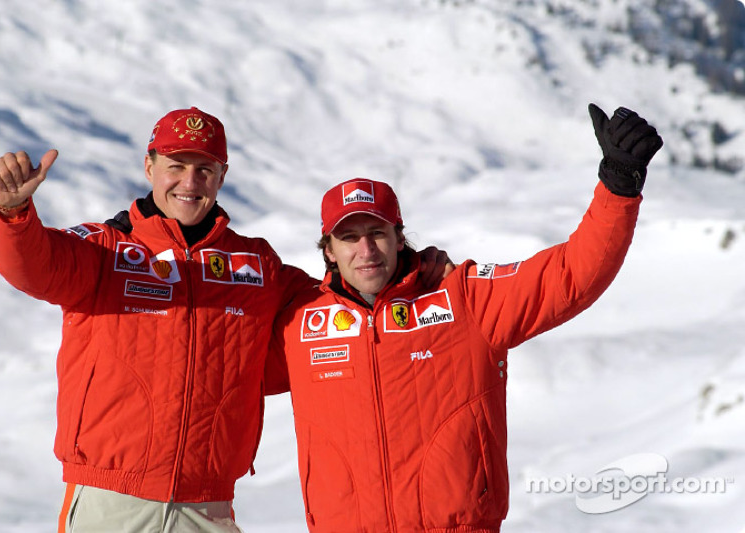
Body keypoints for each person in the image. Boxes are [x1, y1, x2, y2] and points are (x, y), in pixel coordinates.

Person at [0, 106, 450, 533]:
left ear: (222, 176)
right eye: (176, 166)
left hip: (207, 506)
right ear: (149, 168)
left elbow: (340, 304)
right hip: (111, 500)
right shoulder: (105, 249)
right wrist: (13, 214)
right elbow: (34, 265)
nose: (190, 181)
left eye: (205, 169)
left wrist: (409, 269)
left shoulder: (256, 265)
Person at [271, 103, 664, 533]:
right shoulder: (298, 325)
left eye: (377, 234)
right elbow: (214, 357)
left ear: (399, 239)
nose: (365, 251)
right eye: (348, 238)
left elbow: (569, 277)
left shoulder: (463, 300)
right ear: (327, 248)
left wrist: (619, 185)